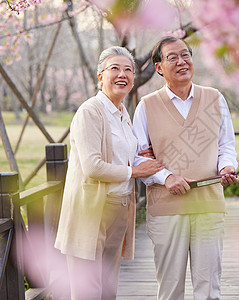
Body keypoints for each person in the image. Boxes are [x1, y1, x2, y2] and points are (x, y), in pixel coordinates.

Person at [132, 36, 239, 300]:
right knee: (170, 291)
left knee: (209, 289)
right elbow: (136, 159)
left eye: (186, 55)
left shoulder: (215, 99)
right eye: (172, 57)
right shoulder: (146, 106)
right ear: (158, 68)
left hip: (208, 205)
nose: (182, 61)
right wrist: (166, 177)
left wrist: (227, 166)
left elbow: (227, 145)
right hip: (167, 209)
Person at [54, 46, 163, 300]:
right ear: (100, 76)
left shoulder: (123, 113)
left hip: (120, 209)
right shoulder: (90, 111)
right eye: (114, 68)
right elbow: (93, 166)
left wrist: (141, 160)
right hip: (92, 210)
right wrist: (134, 171)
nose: (122, 74)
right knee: (87, 291)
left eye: (128, 70)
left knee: (108, 290)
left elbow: (124, 154)